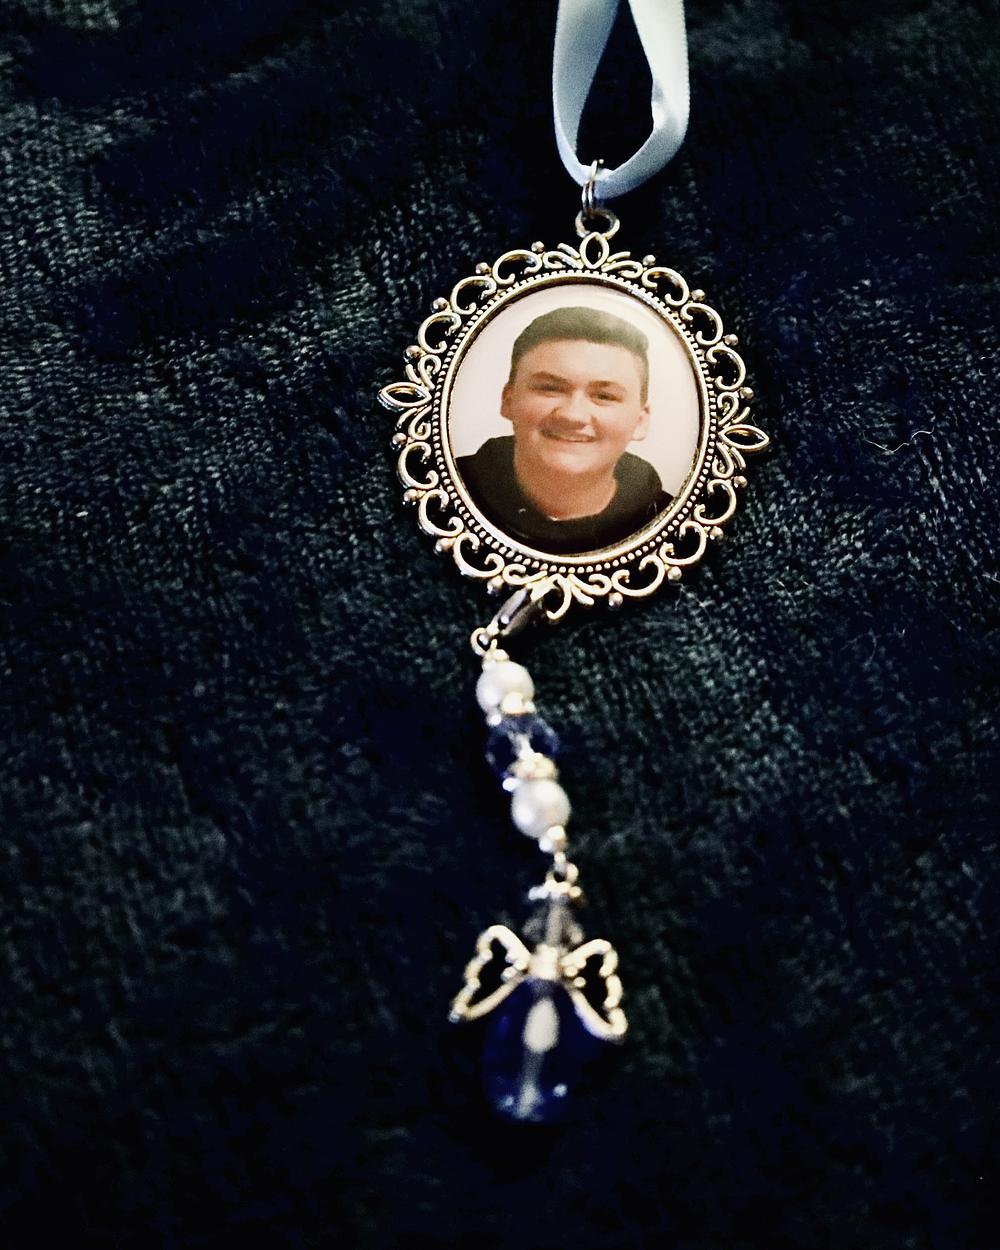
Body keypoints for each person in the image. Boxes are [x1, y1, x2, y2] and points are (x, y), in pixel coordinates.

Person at [456, 306, 671, 554]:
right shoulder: (445, 489)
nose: (572, 415)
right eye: (550, 388)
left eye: (604, 396)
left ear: (640, 421)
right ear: (508, 400)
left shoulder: (673, 526)